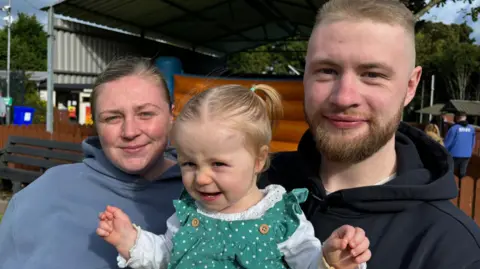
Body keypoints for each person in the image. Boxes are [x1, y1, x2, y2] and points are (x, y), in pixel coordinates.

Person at [258, 0, 480, 268]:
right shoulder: (241, 185)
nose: (344, 97)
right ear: (305, 74)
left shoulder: (455, 251)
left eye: (372, 74)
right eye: (327, 70)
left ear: (410, 86)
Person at [96, 84, 371, 269]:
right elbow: (165, 254)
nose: (201, 178)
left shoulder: (280, 217)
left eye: (218, 164)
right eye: (189, 163)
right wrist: (130, 240)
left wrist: (330, 258)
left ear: (258, 160)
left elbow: (308, 263)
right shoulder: (189, 213)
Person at [0, 56, 184, 269]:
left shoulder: (207, 195)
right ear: (96, 124)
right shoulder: (43, 195)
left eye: (145, 114)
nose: (130, 132)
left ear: (171, 115)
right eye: (112, 118)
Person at [444, 111, 476, 179]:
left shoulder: (454, 128)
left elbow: (448, 143)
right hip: (467, 154)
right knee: (462, 174)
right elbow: (473, 142)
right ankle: (461, 187)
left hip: (454, 154)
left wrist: (444, 151)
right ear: (465, 117)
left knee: (450, 172)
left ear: (457, 118)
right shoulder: (472, 129)